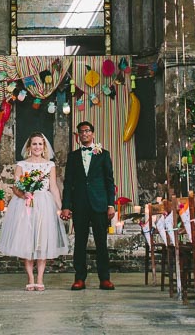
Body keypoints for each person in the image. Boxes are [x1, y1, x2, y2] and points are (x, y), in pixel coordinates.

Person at [0, 132, 69, 290]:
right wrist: (24, 194)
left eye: (40, 144)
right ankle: (30, 278)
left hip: (44, 204)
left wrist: (60, 206)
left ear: (44, 147)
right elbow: (16, 187)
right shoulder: (22, 165)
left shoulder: (49, 165)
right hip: (26, 205)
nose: (37, 147)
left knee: (42, 241)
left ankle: (40, 278)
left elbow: (53, 187)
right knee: (27, 241)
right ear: (29, 147)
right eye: (34, 144)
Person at [60, 120, 116, 291]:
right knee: (80, 243)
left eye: (87, 131)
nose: (84, 134)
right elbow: (68, 182)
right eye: (81, 132)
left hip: (99, 204)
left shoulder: (103, 154)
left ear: (92, 133)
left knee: (101, 243)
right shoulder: (73, 156)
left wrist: (111, 204)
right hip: (80, 204)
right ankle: (79, 278)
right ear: (78, 136)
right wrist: (66, 205)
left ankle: (104, 279)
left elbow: (109, 181)